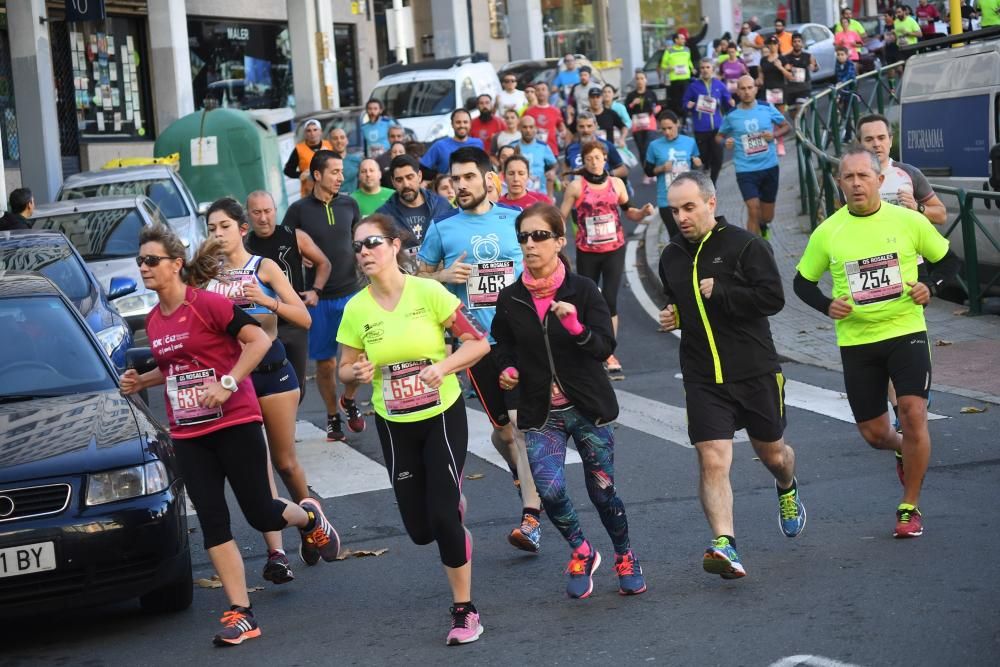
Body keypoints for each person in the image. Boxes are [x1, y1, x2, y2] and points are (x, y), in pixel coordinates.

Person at [120, 224, 340, 646]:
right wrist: (142, 381)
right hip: (187, 432)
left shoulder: (209, 305)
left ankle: (309, 516)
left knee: (260, 512)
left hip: (234, 422)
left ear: (176, 264)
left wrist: (227, 382)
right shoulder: (153, 319)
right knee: (212, 521)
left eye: (151, 260)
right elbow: (175, 365)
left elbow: (256, 340)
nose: (144, 267)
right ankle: (241, 613)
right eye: (140, 261)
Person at [336, 213, 491, 645]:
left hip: (441, 413)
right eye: (358, 246)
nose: (364, 251)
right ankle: (451, 509)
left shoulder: (429, 292)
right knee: (420, 530)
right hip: (394, 421)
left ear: (394, 245)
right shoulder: (356, 309)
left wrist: (442, 366)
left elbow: (477, 342)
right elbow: (345, 371)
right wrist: (356, 372)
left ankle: (465, 611)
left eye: (372, 243)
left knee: (442, 518)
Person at [793, 147, 959, 539]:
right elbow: (802, 282)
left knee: (914, 411)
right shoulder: (828, 231)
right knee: (874, 434)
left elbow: (948, 262)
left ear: (879, 180)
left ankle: (909, 506)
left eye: (863, 176)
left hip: (906, 331)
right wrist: (825, 304)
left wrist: (928, 286)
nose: (856, 183)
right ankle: (903, 447)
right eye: (848, 178)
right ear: (839, 185)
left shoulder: (906, 220)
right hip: (857, 341)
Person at [492, 203, 647, 599]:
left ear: (560, 241)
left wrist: (575, 327)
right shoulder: (511, 299)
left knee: (602, 492)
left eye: (540, 236)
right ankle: (581, 550)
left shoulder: (583, 290)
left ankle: (625, 555)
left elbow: (603, 347)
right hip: (542, 413)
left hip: (588, 408)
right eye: (524, 237)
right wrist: (507, 368)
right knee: (550, 490)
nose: (530, 244)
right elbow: (503, 344)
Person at [658, 170, 805, 580]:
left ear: (711, 203)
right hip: (703, 375)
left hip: (753, 370)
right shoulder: (671, 255)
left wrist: (722, 291)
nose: (682, 217)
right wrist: (672, 315)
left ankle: (788, 486)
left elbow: (773, 299)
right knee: (712, 457)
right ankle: (725, 543)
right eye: (674, 210)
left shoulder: (746, 246)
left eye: (689, 207)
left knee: (773, 455)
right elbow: (676, 300)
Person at [417, 147, 545, 554]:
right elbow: (417, 281)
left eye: (469, 177)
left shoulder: (514, 221)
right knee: (502, 433)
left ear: (489, 179)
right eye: (455, 179)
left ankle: (531, 518)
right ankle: (518, 472)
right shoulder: (443, 229)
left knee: (520, 425)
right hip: (476, 347)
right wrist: (441, 275)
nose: (461, 185)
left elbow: (539, 267)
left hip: (519, 341)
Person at [203, 198, 318, 583]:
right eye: (210, 228)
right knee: (260, 463)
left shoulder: (263, 267)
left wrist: (264, 299)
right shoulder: (207, 277)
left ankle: (312, 522)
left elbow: (303, 318)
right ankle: (277, 554)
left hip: (273, 372)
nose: (217, 234)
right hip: (237, 381)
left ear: (241, 228)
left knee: (285, 462)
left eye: (223, 226)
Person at [281, 150, 364, 441]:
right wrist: (299, 256)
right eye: (335, 172)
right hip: (317, 299)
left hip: (352, 293)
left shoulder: (350, 205)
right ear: (317, 175)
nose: (341, 177)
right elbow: (283, 251)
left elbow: (359, 244)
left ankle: (349, 400)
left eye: (342, 172)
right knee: (327, 363)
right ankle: (332, 416)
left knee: (361, 359)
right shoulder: (298, 210)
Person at [562, 141, 654, 375]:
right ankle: (586, 346)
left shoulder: (616, 183)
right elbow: (560, 216)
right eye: (589, 158)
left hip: (614, 249)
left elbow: (629, 211)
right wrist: (556, 239)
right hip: (587, 251)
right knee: (585, 300)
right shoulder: (576, 186)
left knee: (610, 301)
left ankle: (608, 351)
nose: (594, 162)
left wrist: (642, 212)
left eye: (598, 157)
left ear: (605, 159)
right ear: (584, 161)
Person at [245, 190, 332, 404]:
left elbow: (324, 263)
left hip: (293, 322)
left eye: (267, 211)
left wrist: (316, 290)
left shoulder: (294, 236)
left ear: (275, 211)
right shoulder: (244, 245)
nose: (263, 218)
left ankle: (286, 426)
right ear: (248, 215)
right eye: (256, 212)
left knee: (296, 386)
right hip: (260, 325)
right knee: (259, 384)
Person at [718, 76, 791, 238]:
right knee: (753, 209)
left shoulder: (767, 108)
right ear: (737, 91)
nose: (746, 92)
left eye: (750, 88)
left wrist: (774, 134)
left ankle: (764, 225)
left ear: (756, 89)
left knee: (766, 216)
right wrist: (726, 142)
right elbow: (719, 136)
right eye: (742, 89)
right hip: (745, 169)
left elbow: (787, 126)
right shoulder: (732, 115)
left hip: (769, 166)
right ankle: (751, 250)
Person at [857, 114, 947, 224]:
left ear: (890, 141)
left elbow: (941, 216)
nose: (876, 144)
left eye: (881, 138)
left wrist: (917, 207)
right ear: (859, 144)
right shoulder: (849, 178)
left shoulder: (910, 173)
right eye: (869, 139)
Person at [377, 154, 454, 254]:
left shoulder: (442, 206)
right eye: (399, 180)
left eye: (410, 177)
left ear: (419, 176)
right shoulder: (383, 215)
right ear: (393, 182)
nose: (406, 184)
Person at [645, 110, 703, 236]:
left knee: (692, 234)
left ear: (678, 124)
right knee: (676, 236)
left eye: (670, 128)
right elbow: (648, 171)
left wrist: (698, 165)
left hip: (688, 196)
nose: (667, 132)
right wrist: (661, 169)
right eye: (663, 129)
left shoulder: (689, 142)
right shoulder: (654, 146)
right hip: (667, 199)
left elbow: (696, 167)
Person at [683, 59, 731, 185]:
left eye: (707, 67)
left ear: (712, 69)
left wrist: (731, 102)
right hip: (701, 128)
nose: (705, 70)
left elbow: (728, 102)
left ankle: (712, 183)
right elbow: (684, 103)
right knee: (703, 157)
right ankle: (701, 176)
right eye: (702, 67)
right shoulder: (693, 87)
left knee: (718, 159)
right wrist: (689, 105)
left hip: (717, 128)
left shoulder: (719, 85)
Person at [420, 109, 486, 181]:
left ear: (470, 124)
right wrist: (438, 176)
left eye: (465, 122)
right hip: (447, 189)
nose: (462, 125)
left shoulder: (478, 144)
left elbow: (483, 167)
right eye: (458, 122)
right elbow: (422, 169)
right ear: (452, 124)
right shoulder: (440, 145)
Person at [564, 111, 628, 180]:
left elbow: (623, 170)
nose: (585, 130)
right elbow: (566, 164)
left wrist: (606, 175)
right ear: (576, 127)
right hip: (579, 190)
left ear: (596, 126)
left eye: (589, 126)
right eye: (581, 126)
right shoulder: (571, 148)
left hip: (602, 189)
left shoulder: (606, 145)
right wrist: (565, 179)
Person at [624, 71, 660, 182]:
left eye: (642, 78)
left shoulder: (651, 94)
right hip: (637, 127)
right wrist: (632, 104)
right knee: (641, 151)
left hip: (650, 125)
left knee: (647, 147)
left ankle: (651, 172)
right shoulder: (631, 95)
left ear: (646, 80)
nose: (639, 81)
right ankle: (647, 172)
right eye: (637, 79)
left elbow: (658, 106)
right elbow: (626, 111)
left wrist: (656, 110)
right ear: (635, 81)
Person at [283, 119, 332, 199]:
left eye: (315, 130)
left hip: (328, 190)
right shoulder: (299, 149)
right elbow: (287, 170)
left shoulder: (329, 145)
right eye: (308, 131)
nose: (312, 133)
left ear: (320, 131)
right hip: (309, 193)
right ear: (305, 133)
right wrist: (300, 174)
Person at [511, 115, 558, 196]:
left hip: (540, 192)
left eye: (531, 127)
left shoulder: (543, 147)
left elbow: (554, 164)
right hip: (519, 191)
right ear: (519, 128)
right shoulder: (513, 146)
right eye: (525, 127)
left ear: (535, 128)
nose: (528, 130)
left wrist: (552, 171)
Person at [522, 81, 566, 157]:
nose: (540, 92)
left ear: (548, 92)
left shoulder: (555, 111)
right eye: (538, 90)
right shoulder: (528, 112)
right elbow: (521, 128)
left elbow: (562, 128)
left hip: (551, 150)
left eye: (543, 89)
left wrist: (562, 134)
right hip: (533, 151)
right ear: (535, 93)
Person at [659, 31, 695, 119]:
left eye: (684, 38)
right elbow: (663, 65)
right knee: (676, 101)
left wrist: (692, 68)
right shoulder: (669, 51)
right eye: (682, 38)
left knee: (686, 99)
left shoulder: (687, 49)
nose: (684, 40)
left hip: (685, 79)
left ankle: (686, 118)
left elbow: (689, 61)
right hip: (675, 79)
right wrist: (669, 68)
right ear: (676, 40)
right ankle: (678, 118)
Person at [781, 33, 819, 112]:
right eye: (795, 41)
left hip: (804, 89)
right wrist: (785, 69)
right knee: (793, 115)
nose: (797, 43)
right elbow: (782, 72)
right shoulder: (786, 58)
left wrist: (813, 67)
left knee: (800, 109)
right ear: (792, 43)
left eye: (799, 41)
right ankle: (800, 124)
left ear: (802, 43)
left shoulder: (808, 56)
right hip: (791, 90)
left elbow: (816, 68)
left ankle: (802, 124)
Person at [328, 127, 361, 193]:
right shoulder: (324, 162)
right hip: (332, 201)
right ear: (330, 142)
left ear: (347, 140)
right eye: (335, 138)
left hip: (352, 200)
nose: (339, 141)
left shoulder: (357, 161)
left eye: (342, 137)